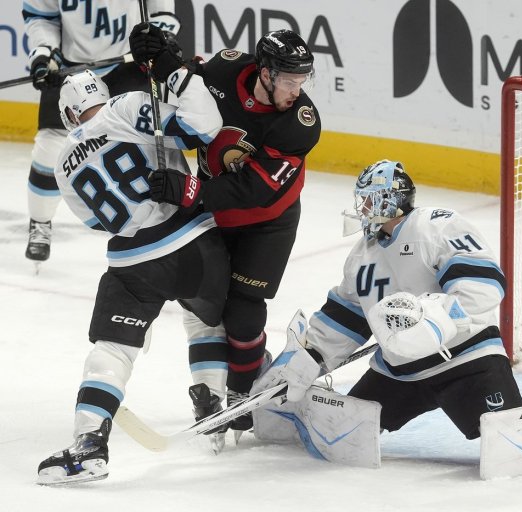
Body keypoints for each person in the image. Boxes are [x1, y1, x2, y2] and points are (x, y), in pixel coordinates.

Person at [37, 46, 229, 485]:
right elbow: (204, 126)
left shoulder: (63, 164)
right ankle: (212, 405)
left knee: (113, 350)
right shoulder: (126, 106)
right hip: (195, 242)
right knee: (206, 323)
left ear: (69, 114)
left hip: (135, 262)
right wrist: (180, 79)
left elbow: (95, 221)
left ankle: (89, 443)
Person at [143, 29, 321, 435]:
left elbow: (255, 189)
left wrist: (191, 191)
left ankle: (242, 396)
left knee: (242, 312)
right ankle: (218, 384)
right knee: (203, 302)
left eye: (302, 81)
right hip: (212, 214)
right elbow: (183, 86)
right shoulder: (225, 69)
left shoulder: (299, 123)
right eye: (289, 81)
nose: (297, 91)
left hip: (268, 222)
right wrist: (160, 58)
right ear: (265, 73)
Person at [295, 159, 522, 441]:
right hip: (400, 372)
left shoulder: (436, 226)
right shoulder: (362, 255)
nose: (362, 208)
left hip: (465, 361)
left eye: (369, 199)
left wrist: (437, 322)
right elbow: (346, 317)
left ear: (391, 200)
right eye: (361, 200)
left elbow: (483, 284)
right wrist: (310, 357)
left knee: (509, 438)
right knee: (340, 433)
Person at [21, 0, 179, 264]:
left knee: (149, 142)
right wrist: (45, 53)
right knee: (50, 147)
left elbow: (161, 9)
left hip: (128, 62)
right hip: (72, 68)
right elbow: (41, 17)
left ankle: (167, 221)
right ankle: (40, 221)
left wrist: (160, 38)